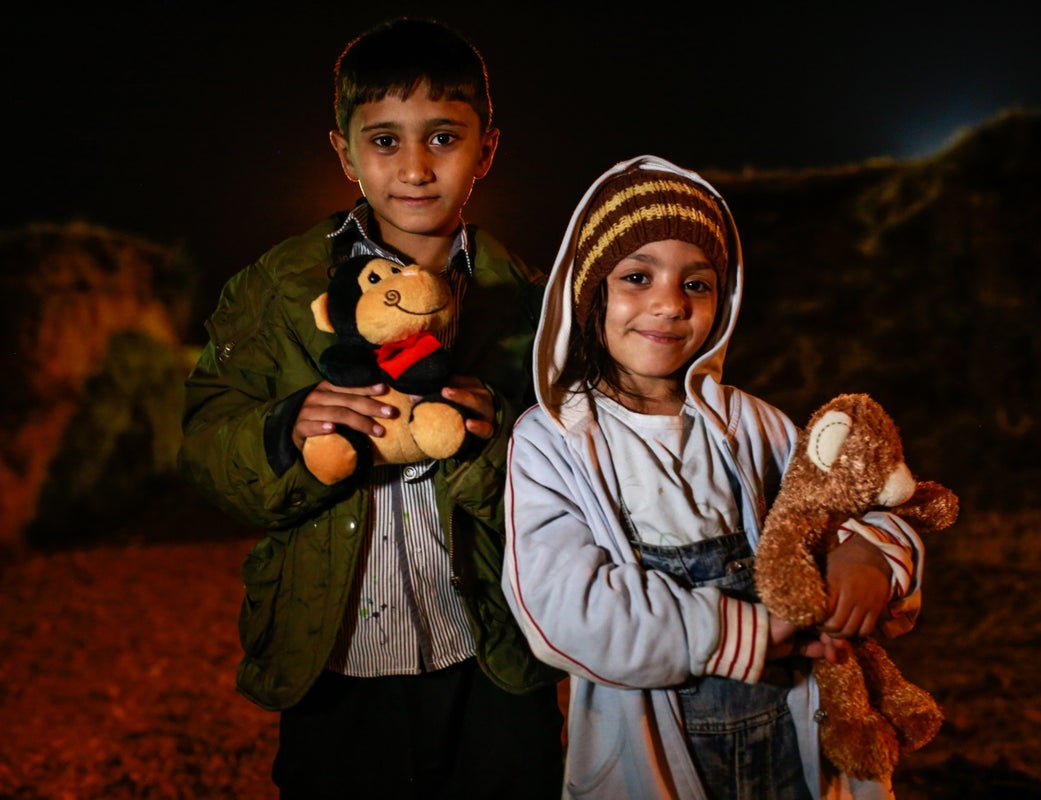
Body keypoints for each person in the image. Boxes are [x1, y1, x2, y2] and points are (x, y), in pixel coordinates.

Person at [177, 17, 564, 800]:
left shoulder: (531, 306)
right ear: (344, 152)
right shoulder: (277, 288)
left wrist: (496, 446)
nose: (415, 168)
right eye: (385, 141)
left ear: (486, 149)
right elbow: (205, 441)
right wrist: (285, 431)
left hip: (491, 651)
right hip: (333, 653)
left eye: (443, 137)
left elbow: (580, 483)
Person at [501, 155, 926, 800]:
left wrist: (872, 554)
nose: (668, 304)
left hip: (794, 738)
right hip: (656, 754)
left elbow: (848, 498)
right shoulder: (552, 442)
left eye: (695, 284)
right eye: (637, 277)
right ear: (587, 295)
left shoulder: (756, 424)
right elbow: (564, 609)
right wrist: (743, 630)